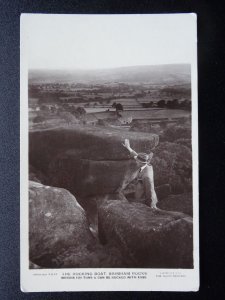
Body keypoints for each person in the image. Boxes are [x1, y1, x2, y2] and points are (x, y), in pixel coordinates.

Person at [115, 139, 158, 209]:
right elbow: (136, 156)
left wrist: (150, 205)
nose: (136, 162)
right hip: (141, 195)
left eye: (137, 161)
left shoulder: (146, 176)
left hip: (144, 200)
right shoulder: (147, 165)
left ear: (141, 163)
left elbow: (150, 191)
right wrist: (128, 147)